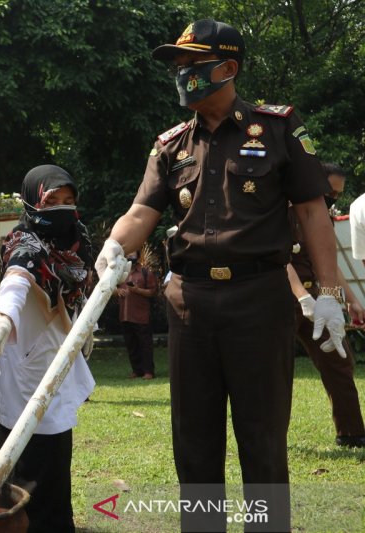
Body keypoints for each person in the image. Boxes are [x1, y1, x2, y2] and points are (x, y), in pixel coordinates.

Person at [93, 19, 346, 531]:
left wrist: (331, 292)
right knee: (194, 441)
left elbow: (314, 211)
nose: (181, 75)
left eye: (192, 65)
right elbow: (143, 210)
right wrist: (112, 248)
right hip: (189, 301)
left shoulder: (278, 128)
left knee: (263, 438)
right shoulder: (170, 144)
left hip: (260, 297)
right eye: (179, 66)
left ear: (227, 68)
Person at [0, 165, 95, 533]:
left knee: (56, 457)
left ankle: (56, 524)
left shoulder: (78, 237)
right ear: (31, 202)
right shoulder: (22, 241)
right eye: (51, 201)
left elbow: (83, 282)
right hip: (21, 361)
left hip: (57, 358)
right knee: (23, 462)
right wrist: (2, 320)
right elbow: (17, 279)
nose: (61, 209)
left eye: (68, 201)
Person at [287, 162, 365, 448]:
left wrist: (352, 300)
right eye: (329, 192)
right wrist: (301, 297)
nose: (332, 200)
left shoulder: (322, 217)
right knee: (273, 371)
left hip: (318, 299)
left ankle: (352, 433)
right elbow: (278, 259)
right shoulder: (279, 209)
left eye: (336, 196)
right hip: (280, 299)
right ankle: (267, 439)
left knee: (339, 360)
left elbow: (328, 263)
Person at [115, 250, 158, 379]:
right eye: (128, 254)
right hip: (125, 315)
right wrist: (117, 291)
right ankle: (136, 370)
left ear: (138, 257)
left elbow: (153, 292)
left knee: (145, 344)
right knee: (131, 345)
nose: (130, 257)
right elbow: (110, 289)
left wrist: (137, 290)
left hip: (141, 315)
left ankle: (148, 372)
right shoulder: (120, 273)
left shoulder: (145, 272)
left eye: (133, 254)